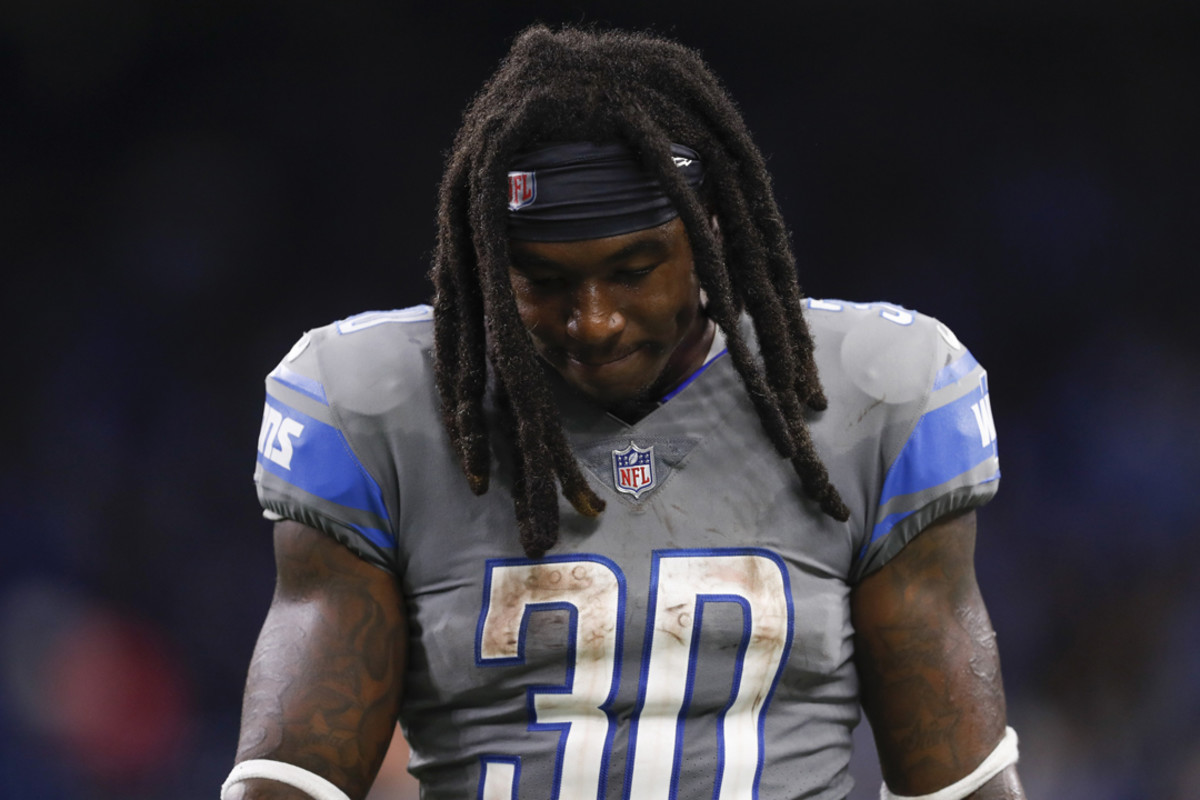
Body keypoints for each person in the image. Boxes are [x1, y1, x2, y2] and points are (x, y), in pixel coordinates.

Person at [226, 24, 1026, 800]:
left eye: (634, 269)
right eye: (544, 282)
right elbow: (296, 775)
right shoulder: (376, 405)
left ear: (709, 234)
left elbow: (954, 781)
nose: (595, 319)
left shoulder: (875, 395)